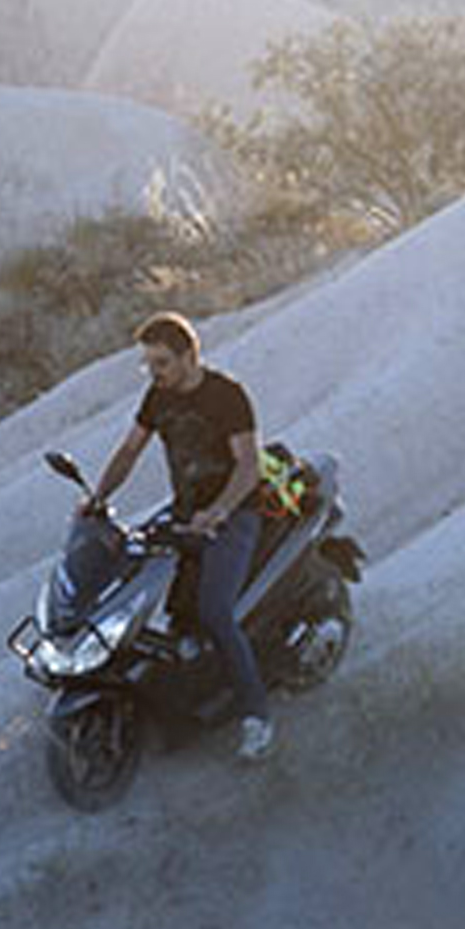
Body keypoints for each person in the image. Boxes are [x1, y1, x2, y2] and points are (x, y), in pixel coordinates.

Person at [81, 312, 277, 761]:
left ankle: (257, 716)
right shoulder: (157, 397)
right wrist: (98, 497)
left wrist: (220, 511)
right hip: (185, 512)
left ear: (190, 356)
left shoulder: (228, 396)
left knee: (214, 611)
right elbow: (130, 450)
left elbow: (249, 466)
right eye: (148, 365)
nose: (154, 373)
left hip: (234, 514)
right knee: (139, 584)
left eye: (162, 363)